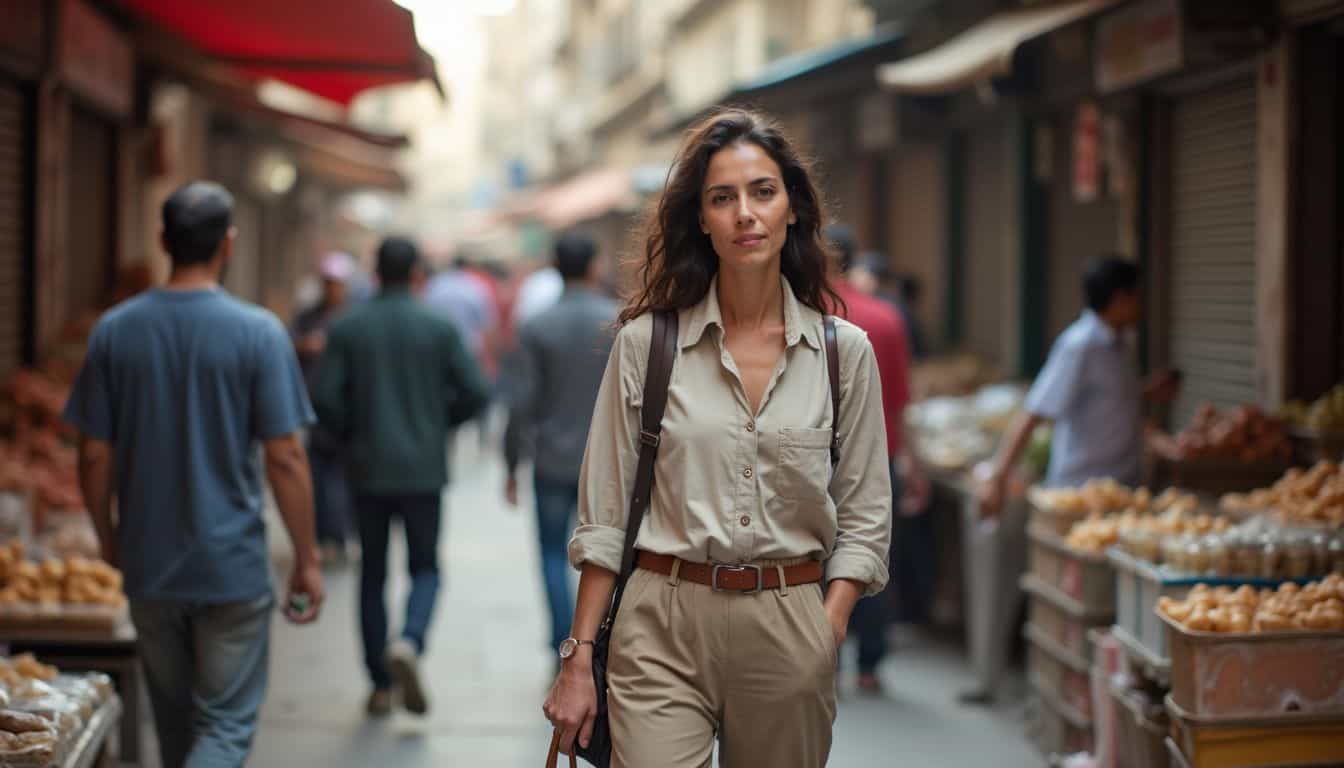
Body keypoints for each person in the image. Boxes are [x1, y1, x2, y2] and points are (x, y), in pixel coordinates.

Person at [544, 109, 892, 767]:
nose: (745, 214)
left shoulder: (843, 354)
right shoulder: (646, 345)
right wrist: (578, 657)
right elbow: (605, 518)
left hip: (789, 621)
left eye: (763, 192)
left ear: (793, 207)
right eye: (722, 198)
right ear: (702, 219)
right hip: (660, 623)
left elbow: (866, 514)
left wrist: (828, 627)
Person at [63, 181, 324, 768]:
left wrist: (108, 538)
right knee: (225, 729)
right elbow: (285, 457)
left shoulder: (115, 331)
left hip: (150, 566)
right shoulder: (259, 333)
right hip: (230, 569)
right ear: (228, 244)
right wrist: (306, 558)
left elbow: (93, 454)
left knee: (176, 731)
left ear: (163, 241)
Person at [971, 256, 1177, 706]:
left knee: (1103, 607)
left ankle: (1100, 693)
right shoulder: (1079, 345)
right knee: (1076, 604)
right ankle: (1070, 697)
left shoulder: (1118, 345)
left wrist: (1147, 392)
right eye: (1137, 295)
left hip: (1119, 496)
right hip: (1080, 499)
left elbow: (1106, 402)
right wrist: (998, 476)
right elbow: (1035, 412)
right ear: (1120, 299)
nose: (1142, 304)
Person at [312, 237, 490, 718]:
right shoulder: (438, 326)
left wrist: (351, 434)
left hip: (366, 468)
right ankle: (410, 639)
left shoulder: (348, 326)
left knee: (372, 573)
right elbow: (476, 390)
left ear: (375, 273)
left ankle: (379, 683)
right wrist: (438, 423)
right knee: (425, 567)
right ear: (416, 274)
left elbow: (325, 398)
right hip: (423, 470)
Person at [502, 232, 619, 662]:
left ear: (555, 267)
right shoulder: (619, 321)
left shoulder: (537, 325)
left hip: (552, 459)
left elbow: (521, 403)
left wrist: (511, 463)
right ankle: (600, 639)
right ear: (594, 266)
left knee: (553, 552)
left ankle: (563, 642)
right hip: (609, 464)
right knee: (606, 554)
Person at [824, 225, 926, 694]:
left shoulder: (800, 314)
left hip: (813, 461)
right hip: (876, 458)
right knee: (870, 552)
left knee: (815, 556)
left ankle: (825, 657)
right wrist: (914, 464)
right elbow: (903, 400)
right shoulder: (885, 317)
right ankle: (869, 663)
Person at [292, 252, 357, 564]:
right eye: (328, 283)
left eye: (337, 283)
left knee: (342, 477)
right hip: (314, 408)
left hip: (346, 410)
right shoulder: (308, 317)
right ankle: (322, 536)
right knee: (317, 476)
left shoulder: (354, 318)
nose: (333, 289)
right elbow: (289, 344)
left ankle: (341, 535)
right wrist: (305, 345)